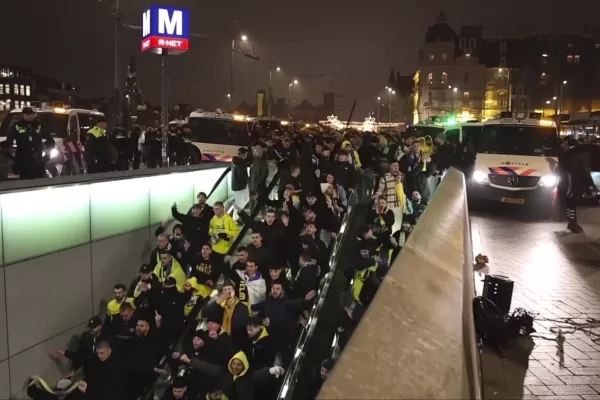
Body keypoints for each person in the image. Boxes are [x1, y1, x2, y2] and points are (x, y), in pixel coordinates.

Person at [3, 107, 54, 179]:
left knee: (39, 182)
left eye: (32, 114)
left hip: (37, 161)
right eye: (27, 114)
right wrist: (11, 157)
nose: (30, 116)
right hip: (23, 161)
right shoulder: (17, 125)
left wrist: (47, 153)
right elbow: (8, 142)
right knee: (25, 182)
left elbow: (50, 141)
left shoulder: (38, 125)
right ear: (23, 115)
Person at [232, 148, 250, 221]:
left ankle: (237, 216)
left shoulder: (236, 161)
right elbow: (241, 175)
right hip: (240, 186)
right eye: (246, 154)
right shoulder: (240, 163)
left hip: (238, 185)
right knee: (239, 203)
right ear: (243, 154)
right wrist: (247, 179)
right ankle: (235, 219)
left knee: (244, 199)